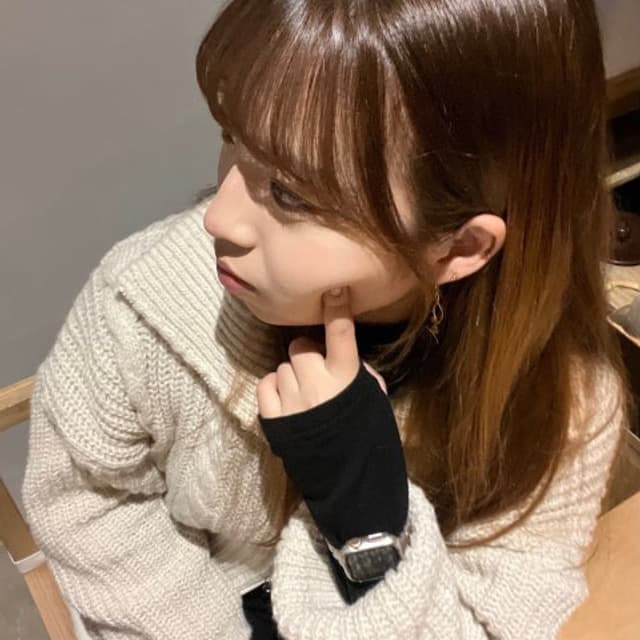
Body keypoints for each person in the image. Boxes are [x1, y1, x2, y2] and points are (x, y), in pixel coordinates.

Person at [22, 1, 629, 638]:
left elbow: (492, 619)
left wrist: (366, 515)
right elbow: (88, 502)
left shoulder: (564, 410)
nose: (219, 219)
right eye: (231, 136)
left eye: (289, 193)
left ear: (457, 248)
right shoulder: (140, 306)